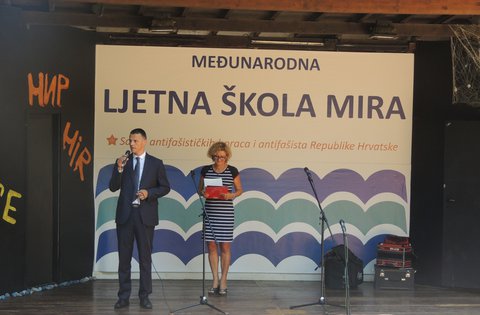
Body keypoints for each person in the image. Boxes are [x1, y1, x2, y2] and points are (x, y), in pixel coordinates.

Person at [109, 128, 170, 310]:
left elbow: (165, 187)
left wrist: (149, 193)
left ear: (144, 141)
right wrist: (119, 169)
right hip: (125, 216)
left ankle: (145, 296)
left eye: (135, 141)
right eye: (130, 141)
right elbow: (113, 187)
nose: (131, 144)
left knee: (145, 259)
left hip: (145, 217)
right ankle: (123, 296)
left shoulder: (156, 163)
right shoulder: (123, 162)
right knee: (124, 258)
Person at [198, 141, 243, 296]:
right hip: (210, 211)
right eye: (216, 157)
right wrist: (204, 192)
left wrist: (230, 195)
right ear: (212, 156)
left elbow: (239, 190)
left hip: (225, 213)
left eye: (222, 157)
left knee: (225, 247)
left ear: (227, 156)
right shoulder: (206, 170)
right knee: (211, 246)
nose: (219, 159)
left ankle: (224, 279)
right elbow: (200, 189)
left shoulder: (232, 171)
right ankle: (215, 280)